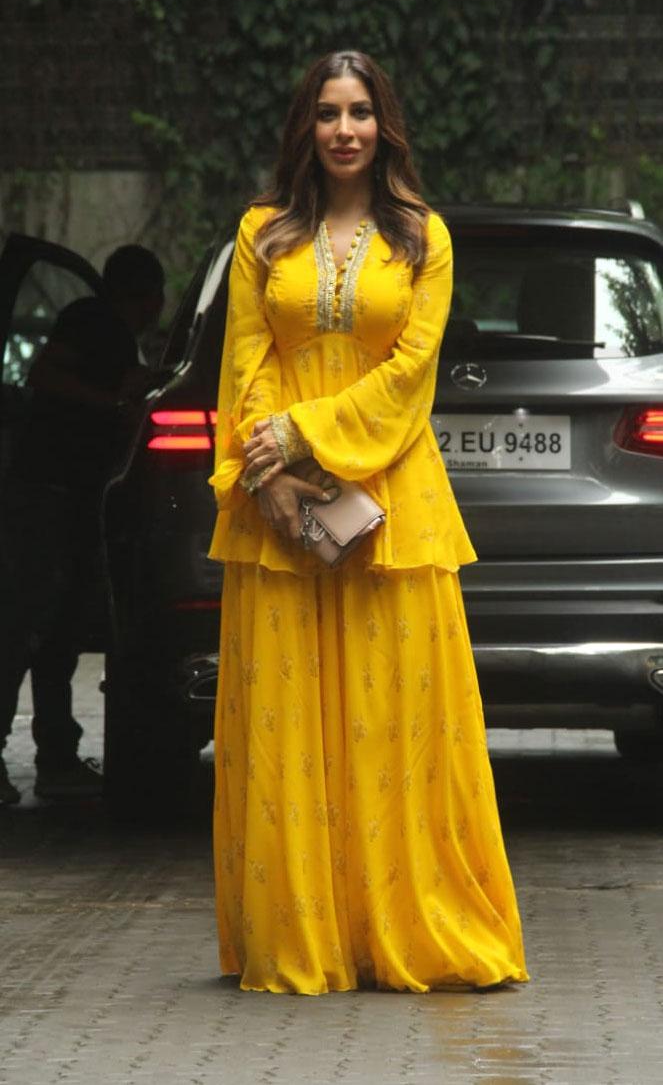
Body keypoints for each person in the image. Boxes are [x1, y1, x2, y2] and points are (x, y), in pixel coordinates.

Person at [208, 50, 528, 993]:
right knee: (287, 729)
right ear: (303, 128)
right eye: (325, 114)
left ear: (384, 124)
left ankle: (405, 926)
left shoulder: (421, 237)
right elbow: (244, 362)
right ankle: (302, 938)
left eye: (358, 113)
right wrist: (266, 478)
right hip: (275, 509)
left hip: (395, 506)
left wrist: (300, 434)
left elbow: (409, 377)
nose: (343, 130)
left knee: (393, 727)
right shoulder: (261, 232)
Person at [0, 245, 165, 806]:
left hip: (67, 499)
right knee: (24, 628)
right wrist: (111, 405)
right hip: (45, 496)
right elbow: (46, 374)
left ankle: (57, 758)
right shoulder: (93, 318)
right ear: (152, 298)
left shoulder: (110, 331)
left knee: (56, 632)